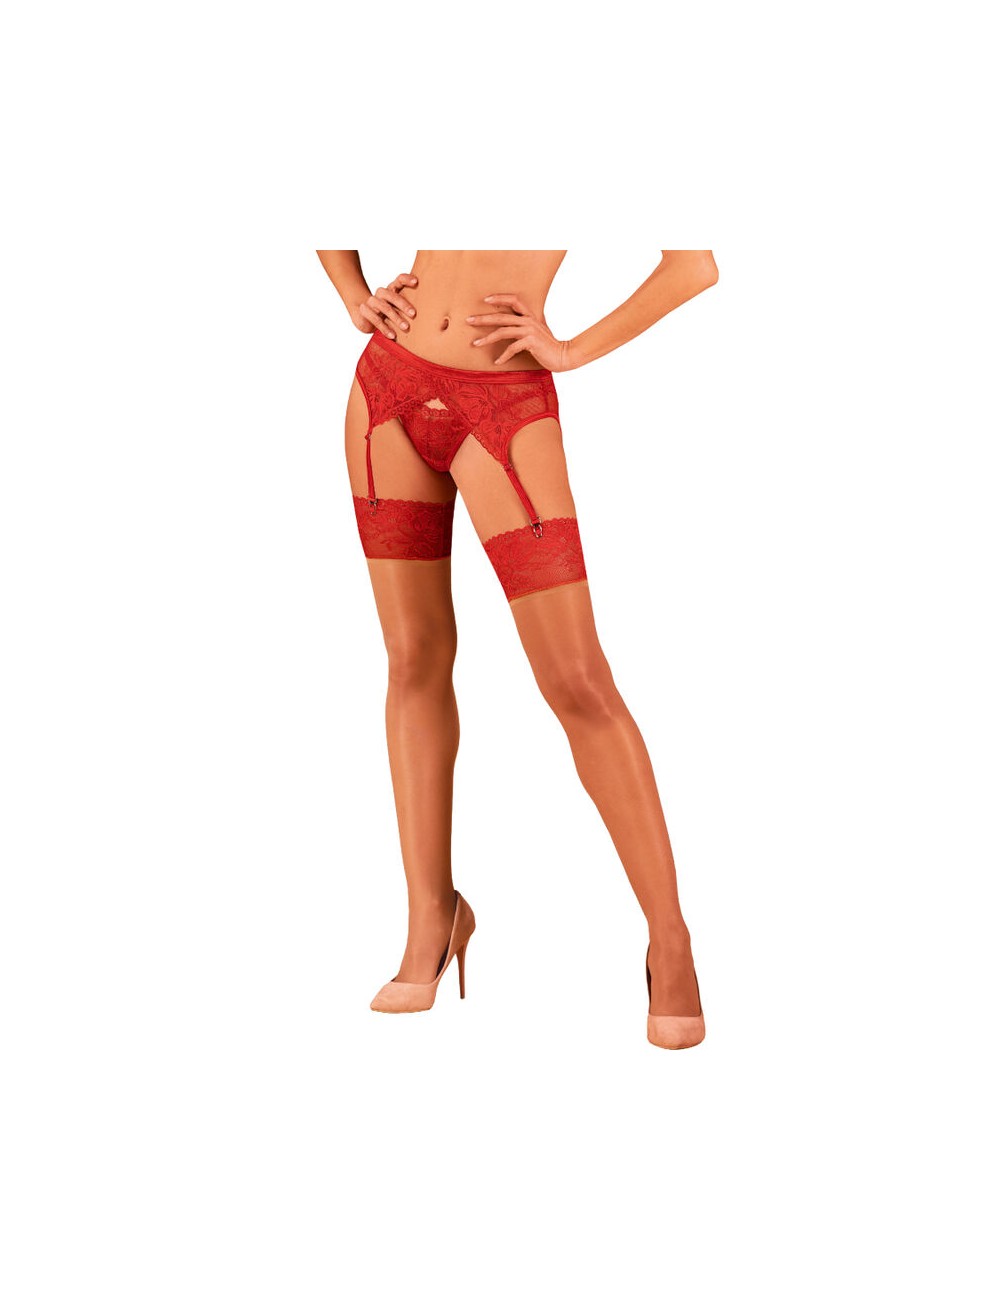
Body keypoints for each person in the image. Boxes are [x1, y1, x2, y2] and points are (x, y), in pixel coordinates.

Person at [316, 250, 719, 1049]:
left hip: (504, 405)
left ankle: (670, 942)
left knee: (577, 680)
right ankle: (431, 919)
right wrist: (353, 292)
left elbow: (694, 265)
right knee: (412, 658)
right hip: (386, 387)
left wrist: (569, 350)